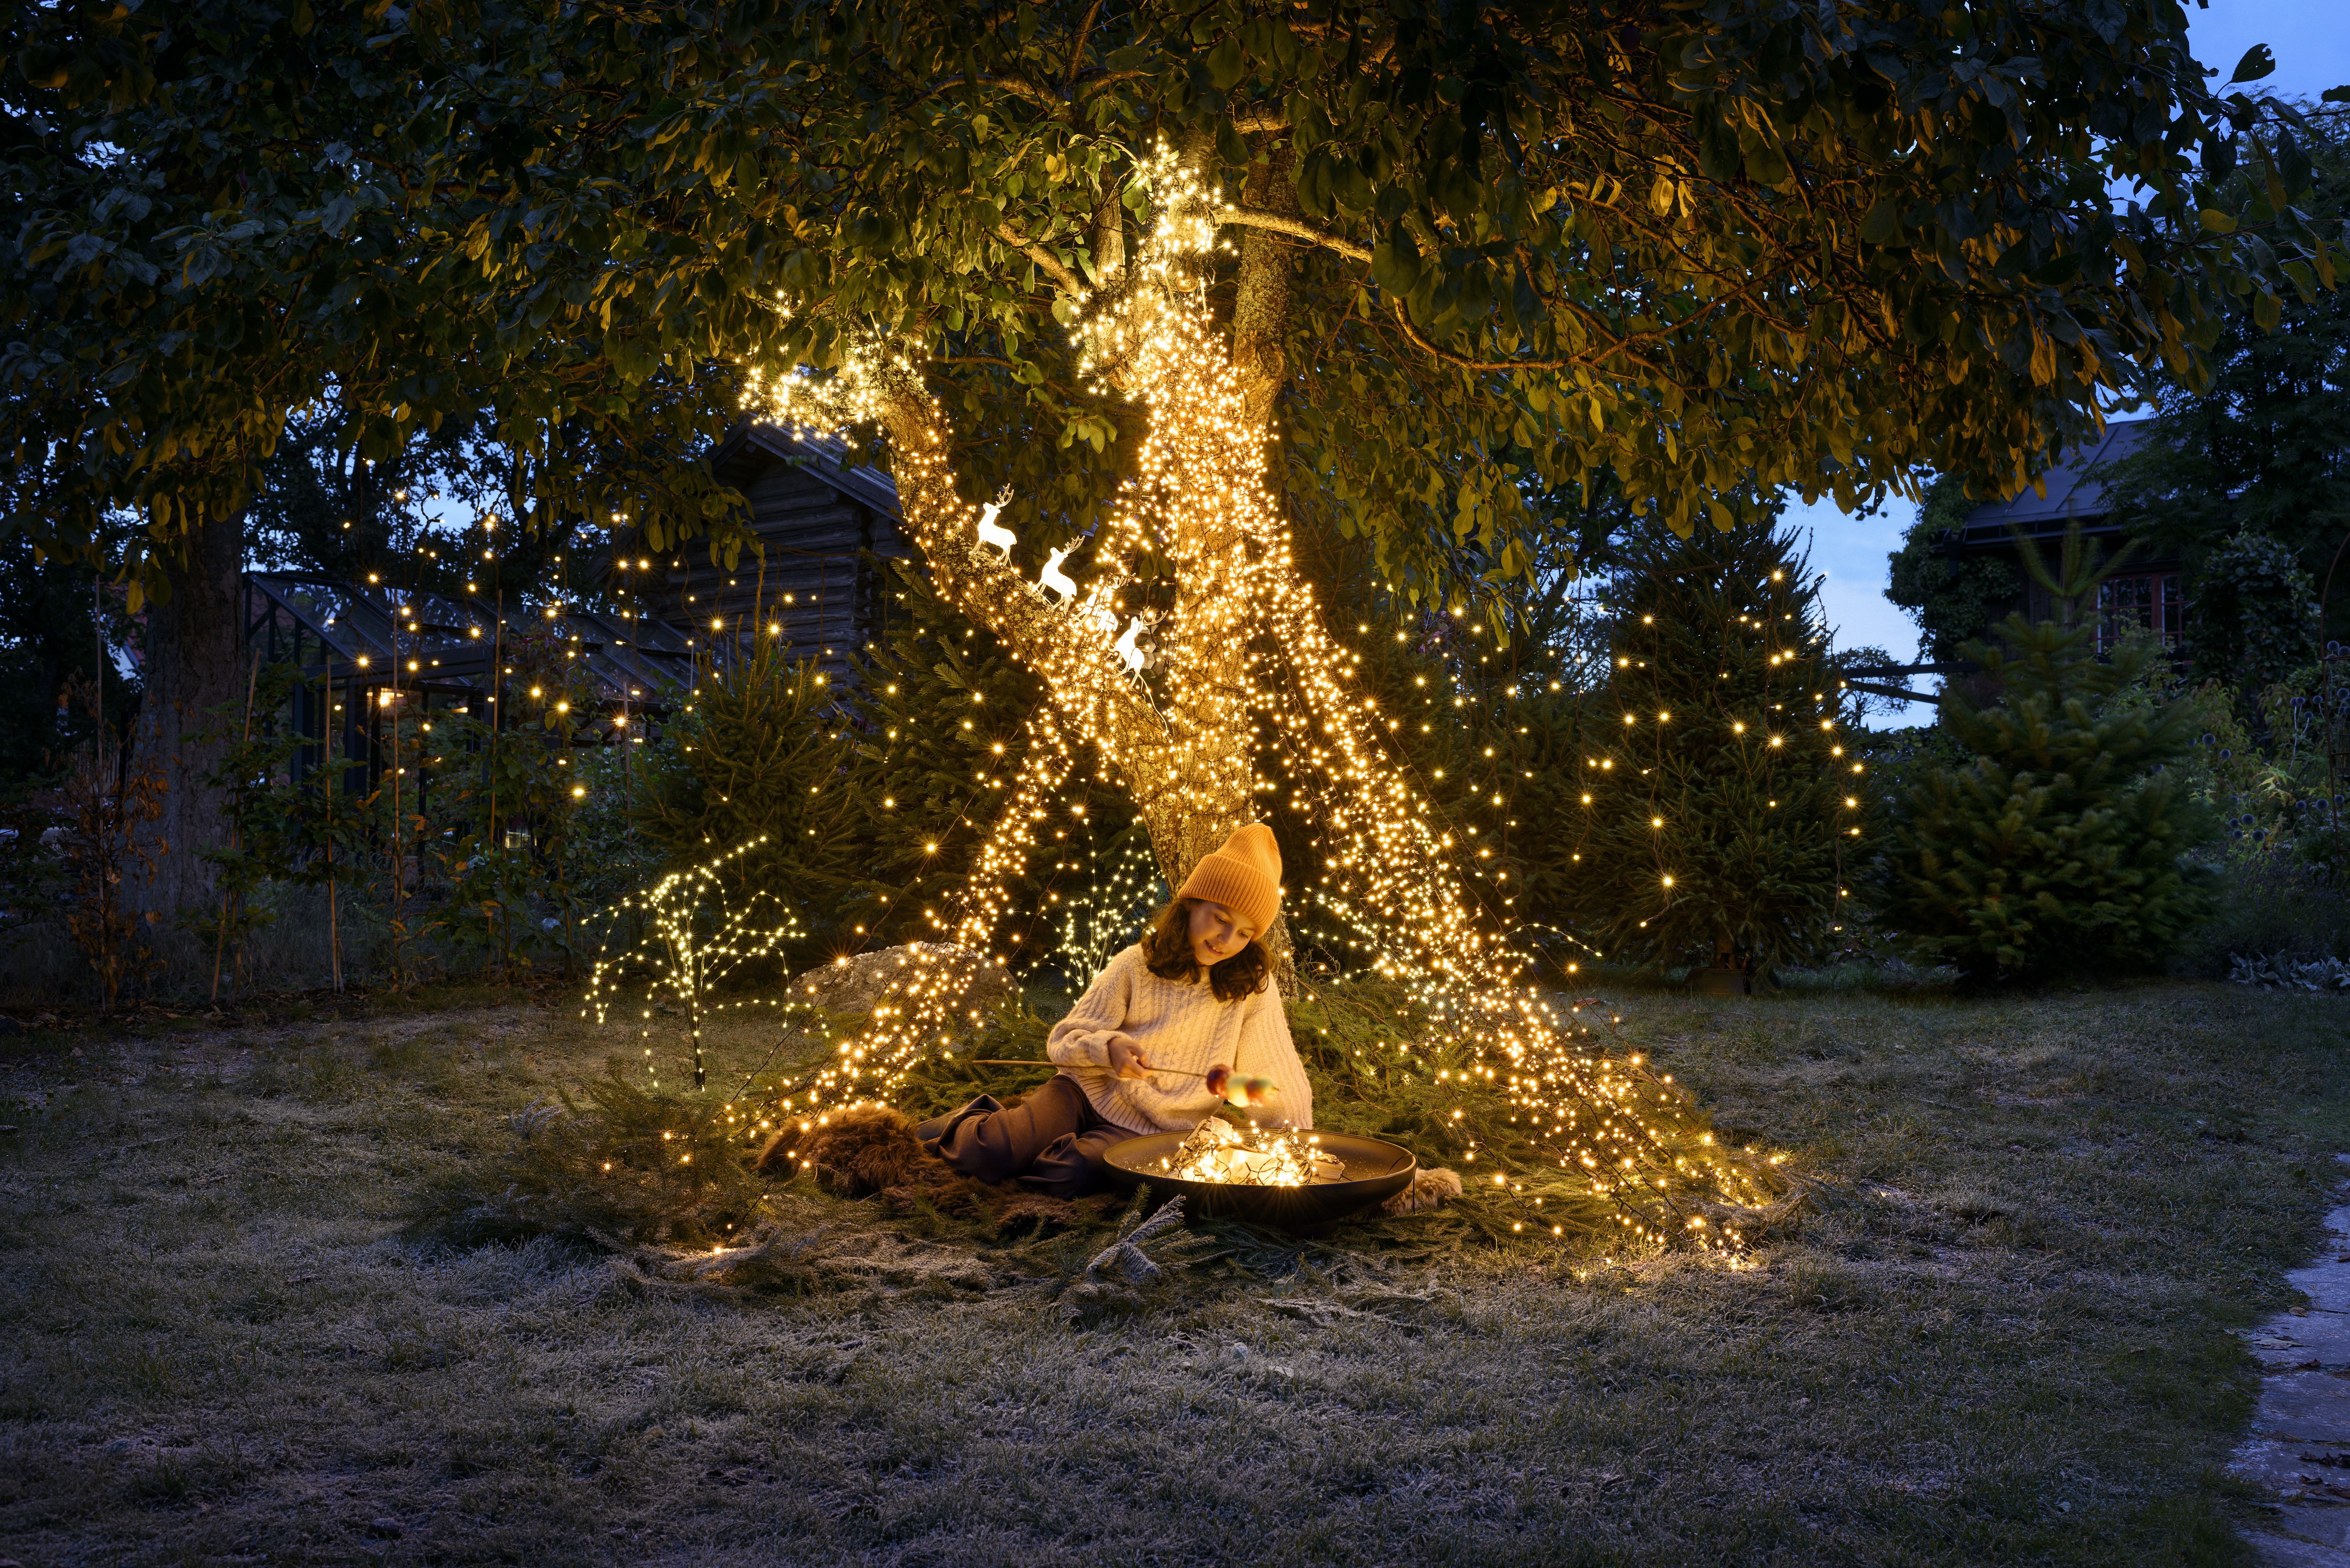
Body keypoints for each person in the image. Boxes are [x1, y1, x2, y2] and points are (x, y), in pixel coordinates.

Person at [918, 822, 1314, 1196]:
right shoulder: (1136, 964)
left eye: (1244, 933)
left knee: (1068, 1175)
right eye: (1220, 918)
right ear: (1192, 904)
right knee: (990, 1151)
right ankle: (980, 1126)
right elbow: (1064, 1041)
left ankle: (1035, 1150)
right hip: (1084, 1091)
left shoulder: (1250, 989)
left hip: (1151, 1129)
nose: (1226, 939)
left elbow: (1279, 1076)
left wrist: (1295, 1151)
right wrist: (1108, 1048)